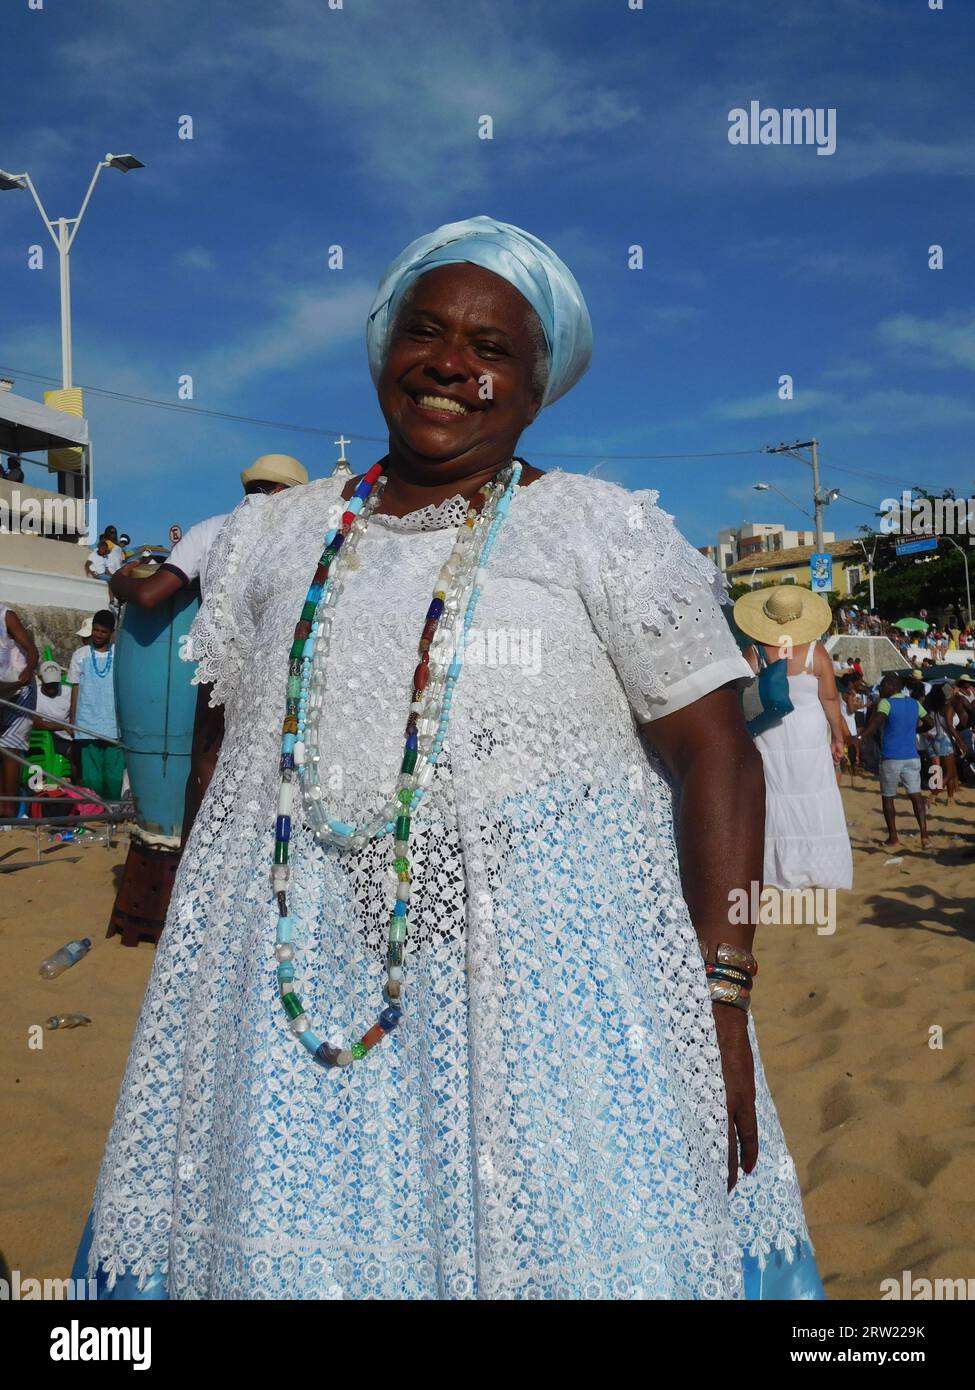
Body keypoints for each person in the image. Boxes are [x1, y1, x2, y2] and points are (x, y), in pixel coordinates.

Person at [77, 215, 823, 1302]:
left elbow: (719, 758)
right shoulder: (270, 537)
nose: (451, 365)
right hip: (289, 998)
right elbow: (226, 743)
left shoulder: (599, 531)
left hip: (550, 1017)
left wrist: (719, 1000)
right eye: (426, 332)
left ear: (536, 386)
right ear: (383, 345)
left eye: (492, 349)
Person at [735, 586, 853, 890]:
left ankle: (779, 870)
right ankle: (818, 868)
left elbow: (741, 695)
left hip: (771, 731)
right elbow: (829, 699)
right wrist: (837, 736)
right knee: (816, 792)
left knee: (776, 795)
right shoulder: (816, 651)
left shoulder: (755, 651)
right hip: (809, 732)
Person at [110, 455, 309, 611]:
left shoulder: (208, 529)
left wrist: (117, 581)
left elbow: (149, 594)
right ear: (282, 491)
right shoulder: (305, 536)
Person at [862, 675, 933, 848]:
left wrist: (861, 735)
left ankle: (893, 837)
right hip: (912, 756)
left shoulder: (887, 703)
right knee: (916, 796)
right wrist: (916, 729)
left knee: (888, 798)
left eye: (882, 687)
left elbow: (878, 720)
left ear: (890, 686)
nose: (881, 690)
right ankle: (924, 836)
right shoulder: (914, 703)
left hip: (891, 757)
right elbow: (929, 723)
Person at [67, 609, 124, 801]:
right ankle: (95, 811)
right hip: (87, 721)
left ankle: (113, 811)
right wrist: (72, 719)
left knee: (114, 774)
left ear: (111, 632)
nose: (98, 635)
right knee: (92, 774)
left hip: (114, 722)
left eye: (103, 632)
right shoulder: (80, 655)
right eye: (96, 630)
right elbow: (75, 688)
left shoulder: (120, 654)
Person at [0, 605, 38, 817]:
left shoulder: (7, 617)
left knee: (10, 748)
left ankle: (9, 810)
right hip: (1, 689)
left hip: (20, 687)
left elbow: (32, 651)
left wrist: (28, 670)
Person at [924, 683, 966, 805]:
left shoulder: (937, 707)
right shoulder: (948, 707)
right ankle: (934, 794)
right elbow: (950, 726)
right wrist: (960, 741)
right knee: (950, 773)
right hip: (945, 741)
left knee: (946, 771)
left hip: (935, 740)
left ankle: (950, 798)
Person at [34, 660, 74, 759]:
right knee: (74, 753)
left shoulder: (69, 692)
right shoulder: (34, 696)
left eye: (55, 683)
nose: (52, 686)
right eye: (49, 683)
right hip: (50, 738)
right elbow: (36, 723)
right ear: (40, 678)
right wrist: (63, 726)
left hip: (72, 737)